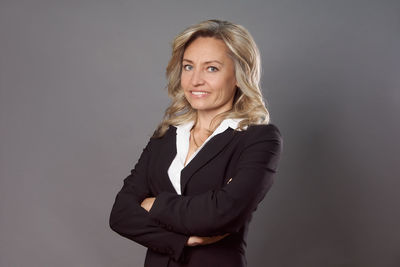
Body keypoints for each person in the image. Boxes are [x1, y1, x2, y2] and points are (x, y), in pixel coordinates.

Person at [109, 19, 282, 267]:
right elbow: (121, 214)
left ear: (238, 75)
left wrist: (154, 203)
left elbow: (220, 214)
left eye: (211, 68)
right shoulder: (166, 136)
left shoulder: (258, 140)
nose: (195, 80)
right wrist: (182, 240)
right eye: (188, 67)